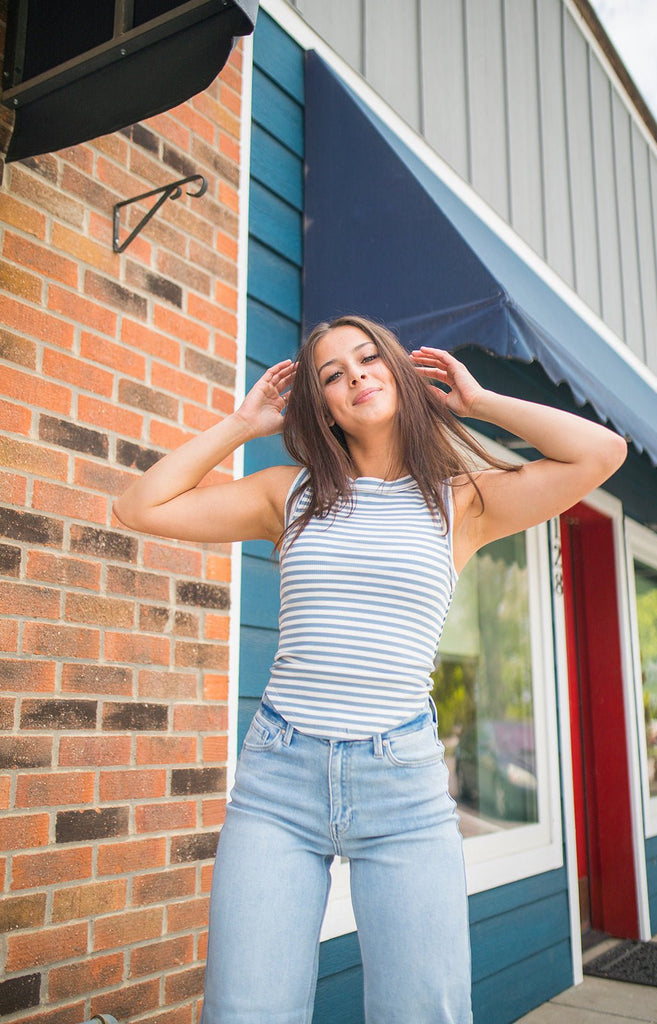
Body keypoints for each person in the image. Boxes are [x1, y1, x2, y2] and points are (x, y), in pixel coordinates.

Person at [114, 315, 627, 1024]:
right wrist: (239, 424)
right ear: (321, 406)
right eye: (330, 374)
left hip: (402, 785)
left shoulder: (462, 501)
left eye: (367, 358)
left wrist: (478, 403)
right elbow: (140, 506)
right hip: (278, 783)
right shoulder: (286, 494)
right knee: (245, 1012)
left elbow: (600, 453)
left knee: (424, 1012)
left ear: (397, 371)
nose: (354, 375)